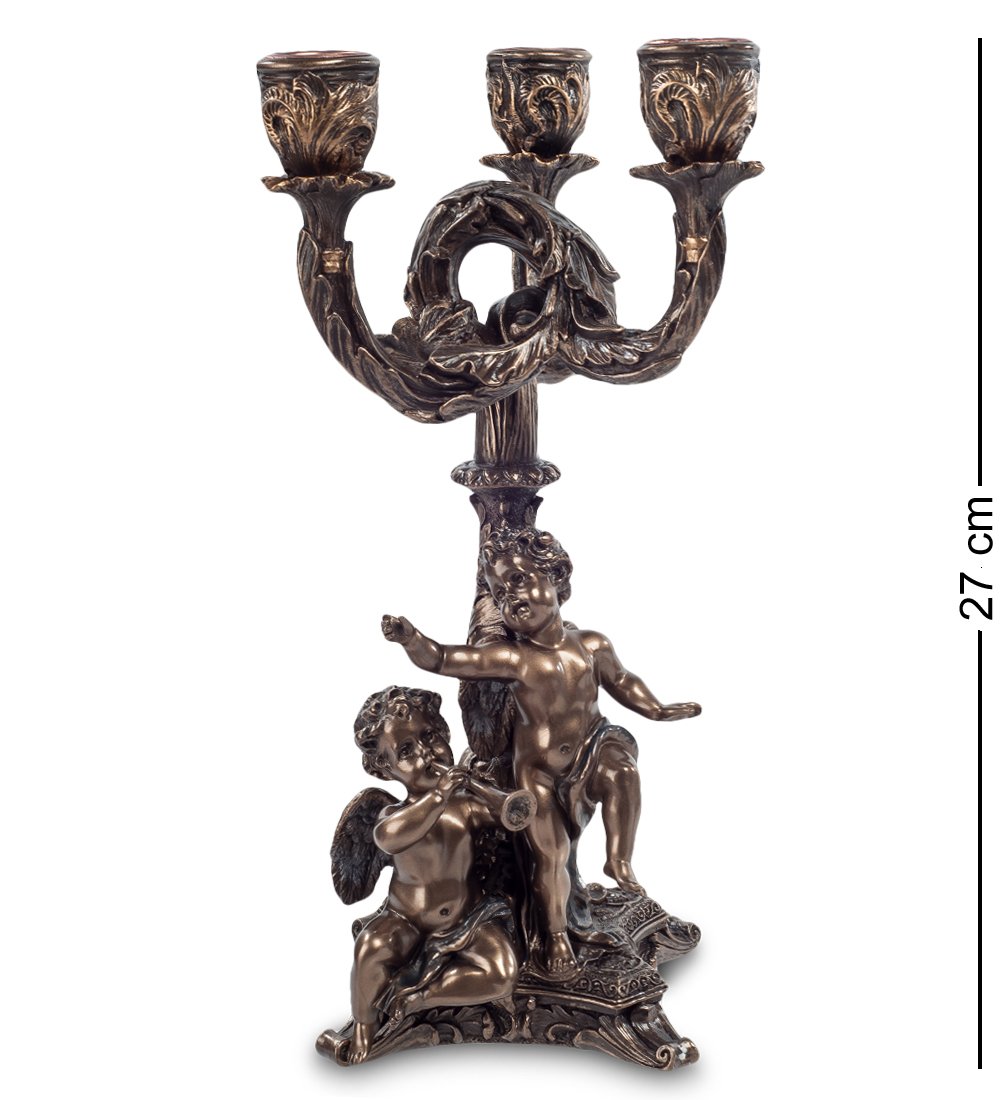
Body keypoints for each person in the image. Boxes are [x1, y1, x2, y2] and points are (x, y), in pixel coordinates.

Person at [383, 528, 701, 976]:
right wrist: (410, 638)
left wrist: (657, 709)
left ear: (555, 576)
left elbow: (623, 680)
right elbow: (445, 659)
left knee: (622, 771)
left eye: (518, 580)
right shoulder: (515, 659)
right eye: (498, 593)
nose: (509, 597)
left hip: (592, 748)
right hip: (539, 774)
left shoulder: (591, 644)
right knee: (550, 854)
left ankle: (618, 860)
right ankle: (553, 935)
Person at [339, 687, 518, 1064]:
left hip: (469, 918)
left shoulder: (466, 805)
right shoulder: (393, 815)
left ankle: (418, 997)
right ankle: (363, 1028)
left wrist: (493, 793)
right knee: (369, 950)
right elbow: (388, 838)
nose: (425, 753)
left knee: (502, 973)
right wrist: (438, 797)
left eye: (430, 736)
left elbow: (510, 820)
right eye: (406, 751)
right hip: (405, 919)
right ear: (385, 768)